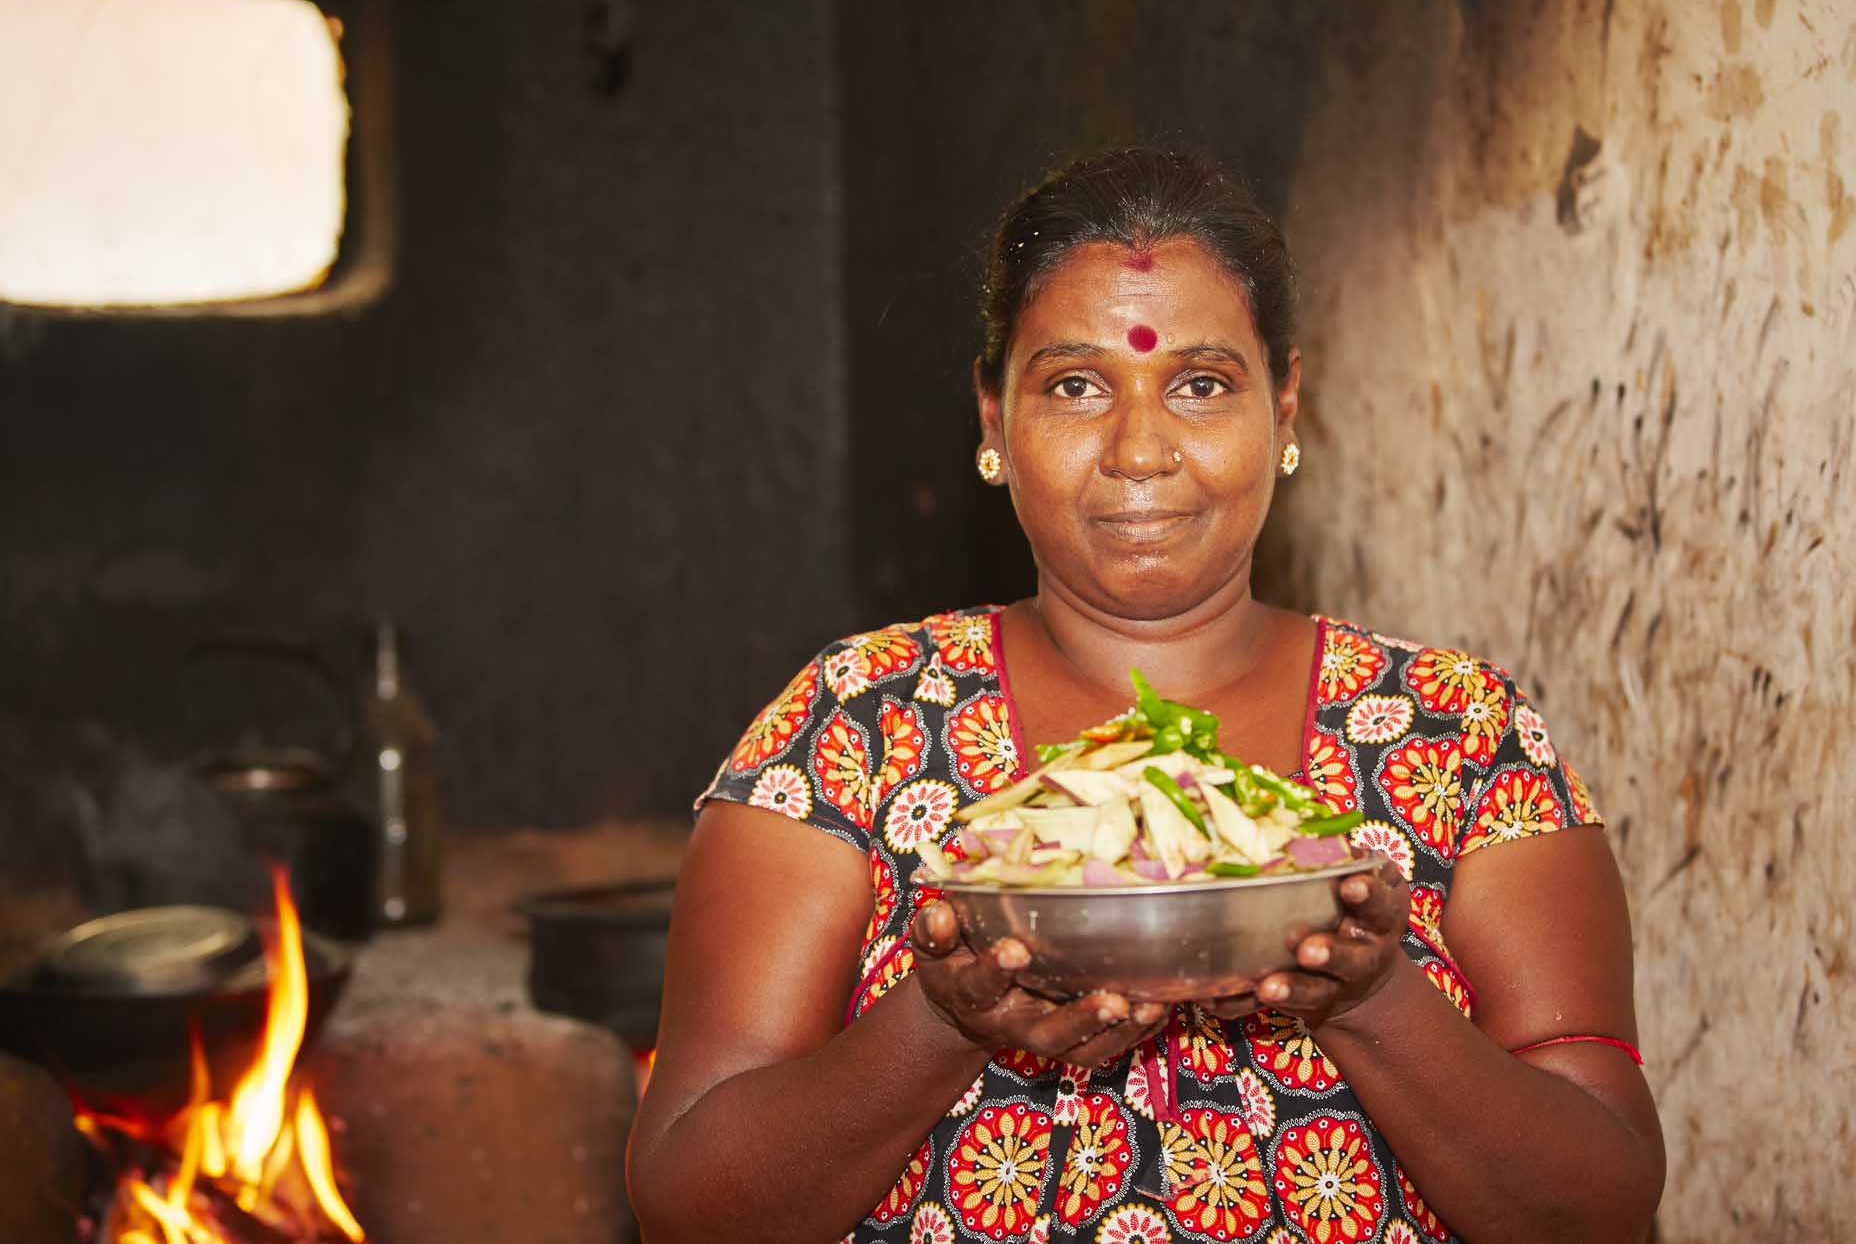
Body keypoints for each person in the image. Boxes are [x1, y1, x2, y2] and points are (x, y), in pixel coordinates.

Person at [625, 148, 1665, 1244]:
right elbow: (690, 1201)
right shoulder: (859, 723)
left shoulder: (1454, 732)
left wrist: (1369, 997)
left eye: (1200, 384)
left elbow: (1596, 1205)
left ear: (1285, 403)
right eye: (1074, 385)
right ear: (991, 419)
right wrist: (940, 1023)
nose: (1137, 450)